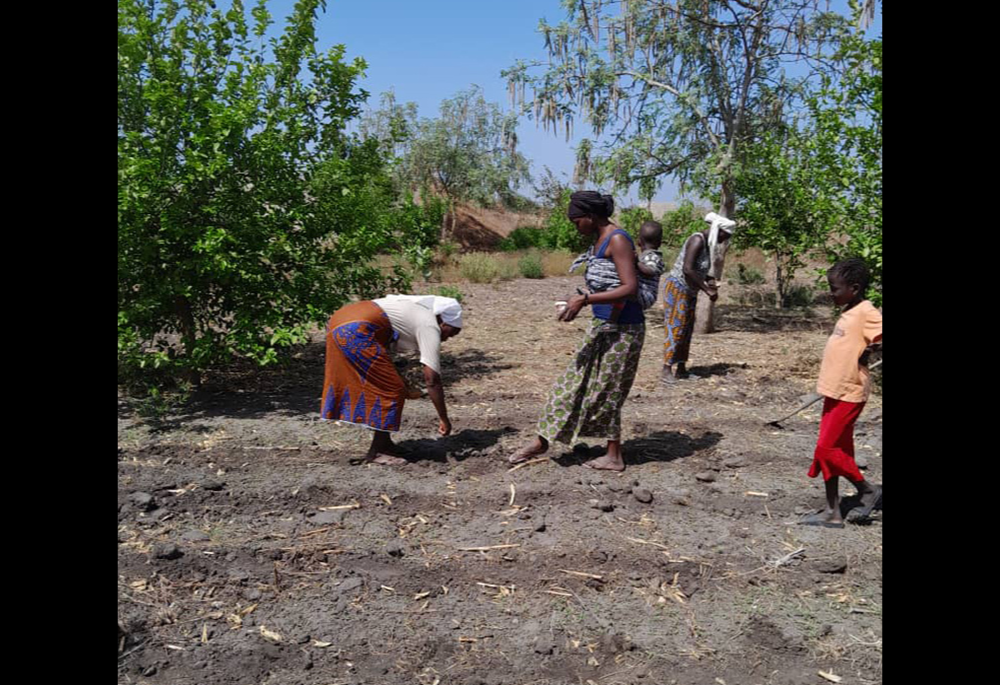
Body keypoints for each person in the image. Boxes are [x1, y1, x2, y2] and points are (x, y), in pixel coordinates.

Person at [509, 191, 644, 472]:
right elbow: (606, 283)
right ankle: (542, 440)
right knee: (569, 384)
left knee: (608, 391)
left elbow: (629, 288)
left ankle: (614, 456)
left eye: (576, 221)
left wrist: (585, 300)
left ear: (591, 217)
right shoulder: (599, 241)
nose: (575, 227)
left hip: (624, 330)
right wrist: (581, 299)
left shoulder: (618, 239)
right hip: (602, 325)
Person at [320, 295, 462, 465]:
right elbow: (432, 379)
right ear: (443, 323)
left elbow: (382, 356)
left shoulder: (414, 310)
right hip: (355, 329)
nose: (447, 339)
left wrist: (399, 379)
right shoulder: (429, 325)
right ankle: (378, 451)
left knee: (391, 384)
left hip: (341, 320)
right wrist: (444, 418)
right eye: (451, 333)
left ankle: (385, 444)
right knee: (391, 389)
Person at [799, 258, 882, 528]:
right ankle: (833, 512)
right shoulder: (849, 310)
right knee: (833, 450)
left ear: (854, 288)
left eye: (835, 289)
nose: (831, 293)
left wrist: (870, 352)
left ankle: (867, 490)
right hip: (834, 391)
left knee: (826, 449)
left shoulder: (867, 311)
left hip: (850, 392)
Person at [661, 212, 736, 383]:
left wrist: (710, 281)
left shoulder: (707, 244)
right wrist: (706, 290)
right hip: (678, 288)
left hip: (689, 291)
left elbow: (699, 269)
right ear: (719, 230)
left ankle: (681, 368)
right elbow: (687, 269)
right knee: (676, 327)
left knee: (686, 330)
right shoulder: (697, 240)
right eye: (725, 235)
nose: (725, 240)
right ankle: (666, 369)